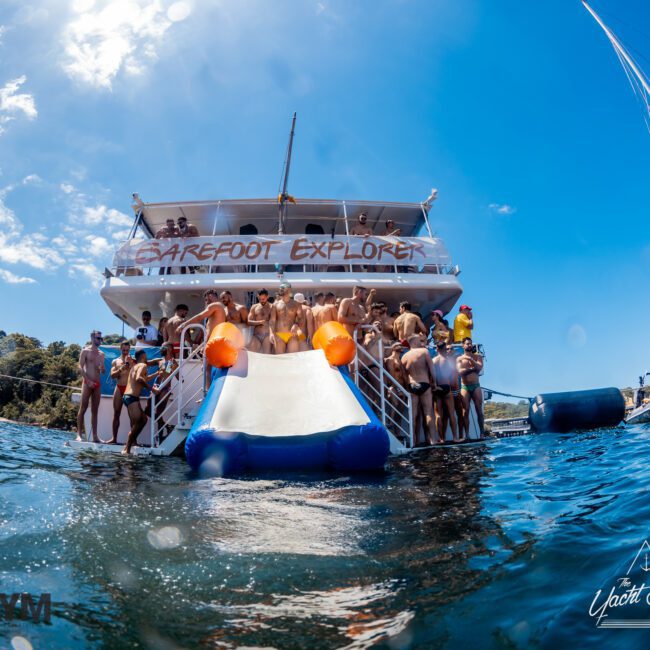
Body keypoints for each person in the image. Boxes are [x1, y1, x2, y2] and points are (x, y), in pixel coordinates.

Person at [401, 334, 439, 446]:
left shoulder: (404, 357)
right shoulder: (424, 352)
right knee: (428, 413)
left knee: (413, 415)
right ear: (413, 341)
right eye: (419, 340)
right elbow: (432, 369)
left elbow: (404, 375)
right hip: (424, 383)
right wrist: (435, 383)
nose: (421, 342)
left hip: (412, 385)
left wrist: (408, 386)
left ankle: (413, 441)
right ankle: (433, 440)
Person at [184, 289, 227, 387]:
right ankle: (208, 392)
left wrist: (184, 324)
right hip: (214, 341)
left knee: (207, 368)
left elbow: (200, 317)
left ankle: (207, 393)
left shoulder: (214, 306)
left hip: (213, 342)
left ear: (210, 296)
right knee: (208, 368)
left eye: (206, 299)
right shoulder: (221, 308)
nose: (206, 302)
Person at [121, 349, 159, 455]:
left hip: (130, 397)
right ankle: (126, 449)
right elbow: (139, 379)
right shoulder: (142, 365)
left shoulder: (136, 366)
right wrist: (152, 389)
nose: (147, 358)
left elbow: (143, 378)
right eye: (146, 356)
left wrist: (156, 373)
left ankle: (128, 446)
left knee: (143, 420)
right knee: (138, 423)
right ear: (143, 356)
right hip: (131, 397)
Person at [76, 330, 105, 443]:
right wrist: (87, 381)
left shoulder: (101, 354)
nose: (99, 340)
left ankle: (95, 437)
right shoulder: (85, 351)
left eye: (100, 339)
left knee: (95, 411)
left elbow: (102, 371)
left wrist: (102, 369)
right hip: (87, 383)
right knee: (83, 408)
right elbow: (80, 367)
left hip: (97, 384)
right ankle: (79, 434)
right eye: (98, 338)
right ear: (92, 338)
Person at [432, 341, 461, 443]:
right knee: (451, 413)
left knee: (438, 415)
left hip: (437, 388)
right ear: (444, 349)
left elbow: (432, 375)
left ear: (437, 349)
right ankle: (455, 438)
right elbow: (452, 376)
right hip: (446, 387)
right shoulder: (448, 361)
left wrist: (435, 386)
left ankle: (441, 439)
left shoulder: (433, 360)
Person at [456, 337, 485, 438]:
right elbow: (460, 372)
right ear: (463, 345)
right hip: (465, 387)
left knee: (479, 410)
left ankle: (482, 433)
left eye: (470, 344)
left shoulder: (478, 356)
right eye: (467, 344)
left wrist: (470, 359)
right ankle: (467, 435)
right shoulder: (459, 358)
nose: (469, 345)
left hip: (476, 386)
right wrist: (472, 369)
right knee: (465, 411)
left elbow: (479, 368)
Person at [151, 343, 178, 441]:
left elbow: (178, 377)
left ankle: (160, 436)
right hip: (156, 387)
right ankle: (167, 427)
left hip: (164, 389)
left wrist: (175, 370)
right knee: (148, 410)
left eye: (163, 347)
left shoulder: (172, 362)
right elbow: (147, 362)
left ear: (169, 349)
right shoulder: (160, 360)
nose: (161, 348)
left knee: (158, 413)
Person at [109, 340, 133, 444]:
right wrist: (120, 369)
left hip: (129, 389)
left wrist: (131, 365)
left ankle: (133, 440)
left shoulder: (133, 360)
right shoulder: (115, 361)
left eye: (127, 350)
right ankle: (114, 438)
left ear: (129, 349)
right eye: (123, 350)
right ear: (120, 349)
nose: (125, 352)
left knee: (132, 415)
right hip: (119, 387)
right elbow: (112, 375)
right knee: (116, 413)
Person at [269, 284, 305, 354]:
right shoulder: (275, 305)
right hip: (279, 335)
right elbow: (272, 321)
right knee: (280, 359)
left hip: (292, 335)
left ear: (289, 290)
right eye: (280, 289)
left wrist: (296, 325)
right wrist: (271, 333)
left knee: (293, 357)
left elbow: (301, 319)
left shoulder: (296, 304)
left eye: (282, 289)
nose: (281, 291)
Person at [248, 289, 272, 354]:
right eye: (259, 299)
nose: (261, 301)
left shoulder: (272, 307)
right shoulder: (254, 307)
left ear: (267, 297)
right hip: (256, 335)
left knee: (267, 355)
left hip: (267, 335)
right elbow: (248, 321)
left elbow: (275, 322)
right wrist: (259, 322)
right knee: (251, 354)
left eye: (263, 299)